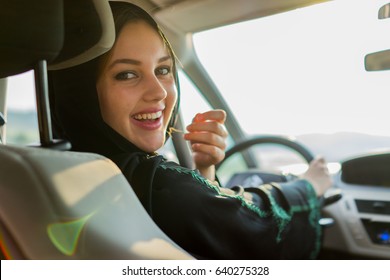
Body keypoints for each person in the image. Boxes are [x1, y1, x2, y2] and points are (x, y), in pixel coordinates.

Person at [48, 1, 332, 259]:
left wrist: (204, 173)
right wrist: (309, 186)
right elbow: (259, 227)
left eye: (163, 69)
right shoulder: (160, 188)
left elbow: (206, 217)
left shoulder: (58, 174)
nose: (159, 92)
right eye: (127, 74)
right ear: (81, 92)